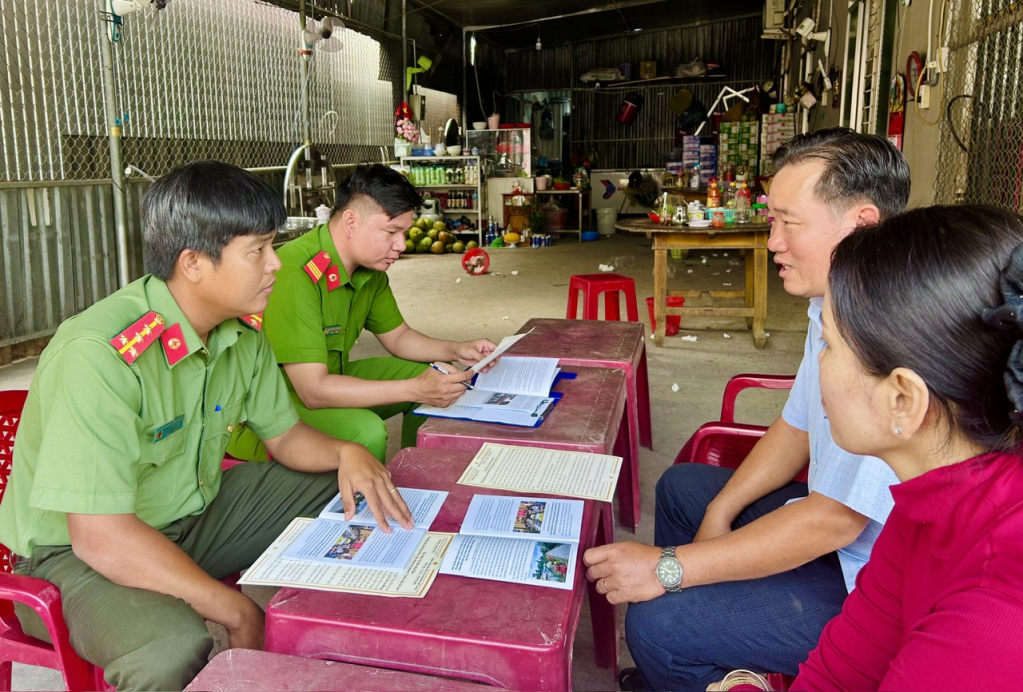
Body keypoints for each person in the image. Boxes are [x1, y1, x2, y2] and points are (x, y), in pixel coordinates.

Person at [0, 161, 412, 691]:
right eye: (257, 250)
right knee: (170, 648)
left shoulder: (240, 335)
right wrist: (236, 610)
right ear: (193, 263)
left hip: (189, 518)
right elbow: (101, 537)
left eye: (273, 245)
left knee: (351, 488)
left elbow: (285, 437)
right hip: (73, 556)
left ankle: (343, 631)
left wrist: (345, 455)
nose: (276, 265)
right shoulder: (100, 355)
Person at [582, 128, 909, 690]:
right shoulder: (831, 302)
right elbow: (797, 426)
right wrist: (718, 515)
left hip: (877, 588)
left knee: (659, 619)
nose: (772, 241)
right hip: (846, 539)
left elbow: (836, 519)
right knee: (686, 489)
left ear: (862, 224)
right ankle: (694, 663)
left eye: (790, 223)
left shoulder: (890, 333)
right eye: (771, 219)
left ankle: (678, 648)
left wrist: (669, 569)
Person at [786, 205, 1023, 689]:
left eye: (828, 345)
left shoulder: (996, 615)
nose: (819, 364)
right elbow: (837, 673)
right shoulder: (927, 506)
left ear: (902, 399)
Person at [227, 163, 496, 463]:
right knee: (365, 432)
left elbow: (400, 337)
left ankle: (418, 478)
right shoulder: (294, 273)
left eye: (404, 232)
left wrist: (458, 349)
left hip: (329, 379)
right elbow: (313, 391)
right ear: (351, 222)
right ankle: (364, 507)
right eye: (392, 231)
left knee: (444, 376)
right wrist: (415, 389)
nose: (401, 245)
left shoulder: (370, 271)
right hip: (268, 410)